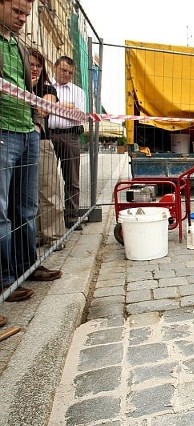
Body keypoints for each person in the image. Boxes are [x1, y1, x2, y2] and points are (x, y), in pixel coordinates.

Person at [1, 0, 63, 307]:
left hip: (26, 131)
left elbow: (35, 89)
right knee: (1, 211)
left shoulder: (20, 48)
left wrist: (38, 115)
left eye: (26, 13)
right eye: (17, 12)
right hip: (2, 131)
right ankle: (4, 280)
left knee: (26, 207)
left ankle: (27, 266)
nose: (24, 18)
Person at [31, 48, 65, 250]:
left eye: (38, 65)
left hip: (42, 142)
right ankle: (33, 236)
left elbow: (43, 109)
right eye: (31, 64)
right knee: (26, 195)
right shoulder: (15, 84)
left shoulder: (47, 89)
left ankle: (54, 236)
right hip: (17, 140)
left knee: (49, 190)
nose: (34, 68)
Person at [49, 55, 86, 230]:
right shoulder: (46, 86)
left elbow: (79, 116)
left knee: (72, 179)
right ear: (55, 67)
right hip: (48, 135)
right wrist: (68, 106)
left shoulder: (78, 92)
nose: (66, 74)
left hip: (70, 136)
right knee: (47, 179)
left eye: (70, 72)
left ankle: (71, 217)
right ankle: (50, 220)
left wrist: (57, 105)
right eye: (63, 70)